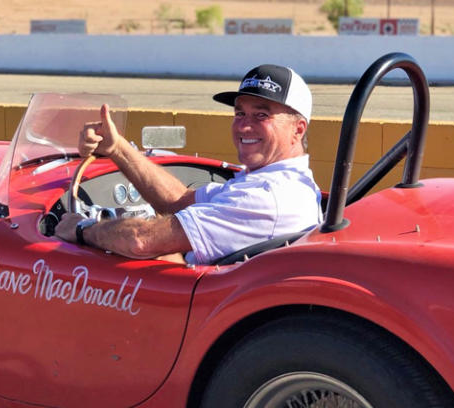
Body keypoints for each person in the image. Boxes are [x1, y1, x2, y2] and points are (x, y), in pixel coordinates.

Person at [55, 64, 322, 265]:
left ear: (298, 130)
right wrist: (117, 149)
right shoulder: (279, 183)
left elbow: (141, 241)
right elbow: (178, 202)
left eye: (261, 115)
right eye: (240, 113)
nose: (244, 125)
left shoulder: (267, 196)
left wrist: (83, 229)